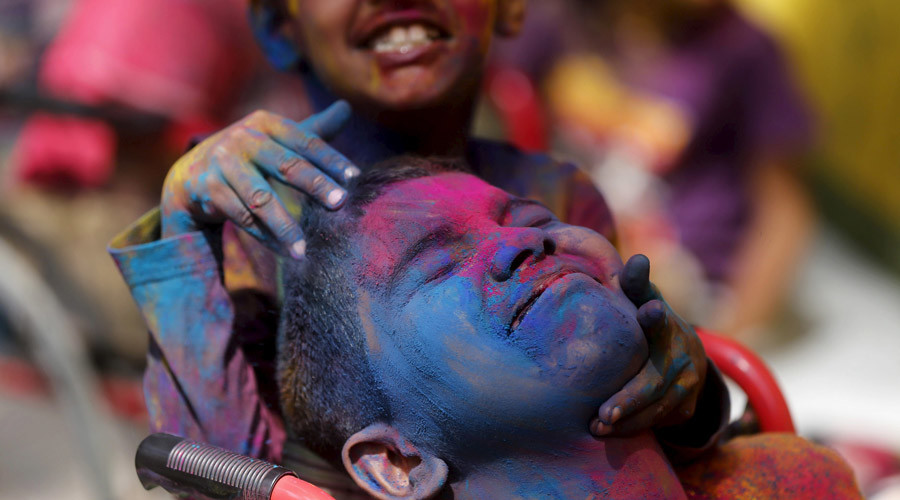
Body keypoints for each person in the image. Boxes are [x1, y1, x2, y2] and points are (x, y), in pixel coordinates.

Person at [111, 0, 707, 465]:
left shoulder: (554, 197)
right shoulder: (251, 217)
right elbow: (219, 477)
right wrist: (183, 233)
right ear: (276, 24)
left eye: (519, 224)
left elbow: (623, 417)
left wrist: (686, 393)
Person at [274, 157, 860, 499]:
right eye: (439, 265)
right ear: (397, 462)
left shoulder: (799, 482)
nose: (522, 243)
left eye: (529, 218)